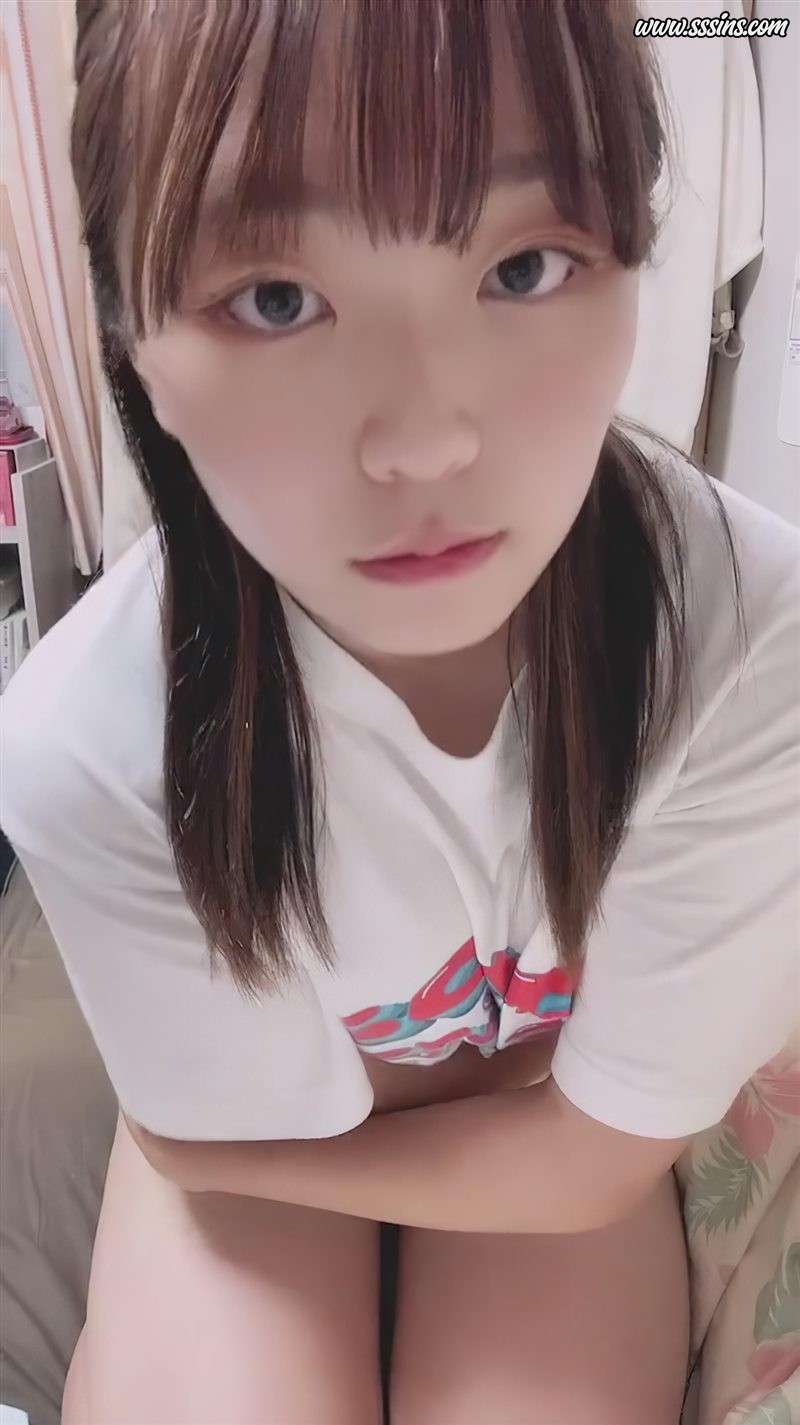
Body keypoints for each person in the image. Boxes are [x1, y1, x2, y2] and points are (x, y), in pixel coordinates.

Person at [1, 1, 798, 1421]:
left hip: (508, 1115)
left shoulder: (745, 646)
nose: (426, 439)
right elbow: (220, 1142)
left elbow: (596, 1154)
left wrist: (228, 1156)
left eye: (525, 266)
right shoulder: (91, 748)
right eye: (276, 299)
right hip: (273, 1135)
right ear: (133, 339)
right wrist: (215, 1157)